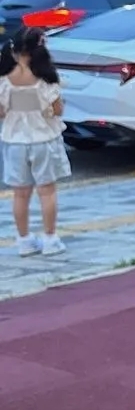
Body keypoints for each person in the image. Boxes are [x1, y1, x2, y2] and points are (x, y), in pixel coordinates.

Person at [0, 27, 71, 256]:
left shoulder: (4, 81)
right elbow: (57, 110)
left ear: (14, 51)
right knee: (47, 192)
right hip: (44, 139)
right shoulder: (47, 79)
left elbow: (1, 112)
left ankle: (24, 241)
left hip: (15, 141)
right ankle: (50, 239)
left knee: (20, 194)